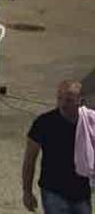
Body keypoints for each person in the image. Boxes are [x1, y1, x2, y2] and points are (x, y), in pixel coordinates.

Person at [22, 81, 90, 214]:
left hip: (81, 192)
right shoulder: (44, 123)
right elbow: (29, 160)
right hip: (53, 191)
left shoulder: (89, 124)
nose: (63, 104)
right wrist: (27, 191)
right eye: (60, 98)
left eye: (69, 100)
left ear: (80, 101)